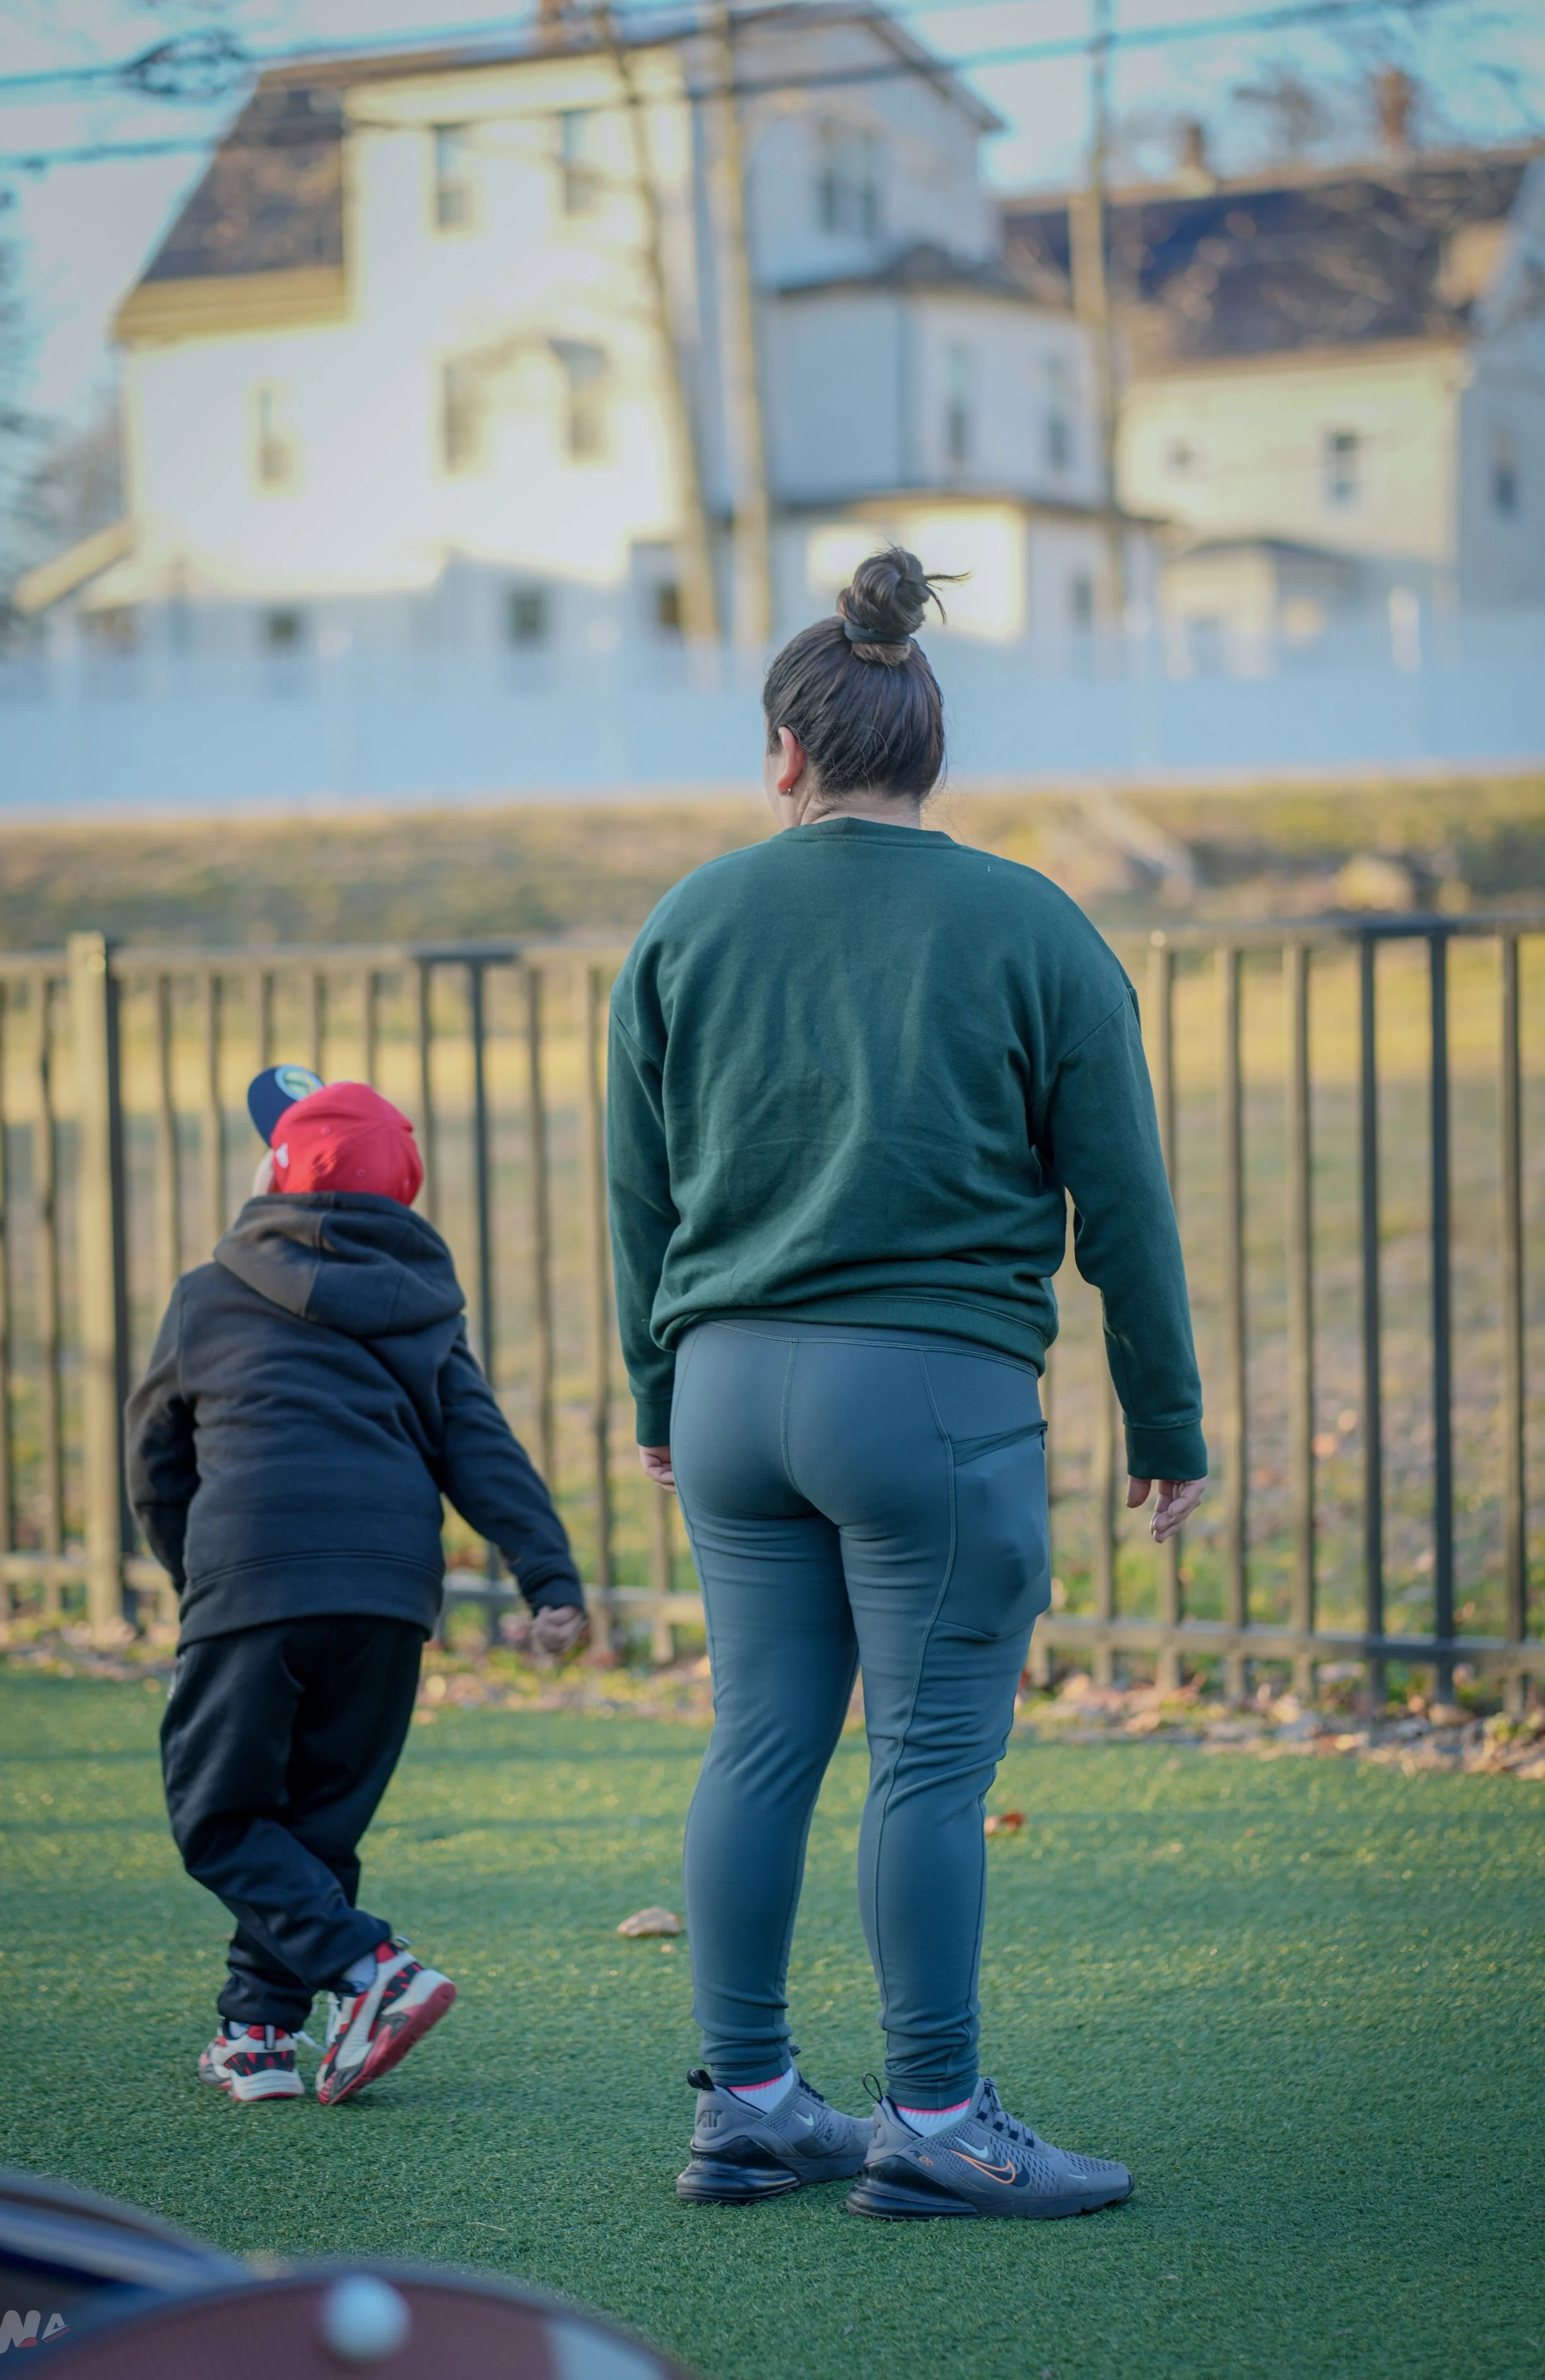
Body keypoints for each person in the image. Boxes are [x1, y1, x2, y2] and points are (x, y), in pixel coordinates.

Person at [606, 548, 1207, 2221]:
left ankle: (749, 2102)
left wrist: (659, 1389)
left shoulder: (684, 919)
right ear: (928, 753)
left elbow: (636, 1192)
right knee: (927, 1763)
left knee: (756, 1738)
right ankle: (934, 2116)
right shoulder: (1032, 922)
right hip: (928, 1406)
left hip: (727, 1393)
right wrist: (1168, 1424)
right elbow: (1124, 1202)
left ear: (783, 753)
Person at [127, 1072, 587, 2107]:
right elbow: (482, 1446)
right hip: (386, 1595)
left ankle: (375, 1968)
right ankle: (256, 2036)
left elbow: (157, 1455)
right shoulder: (423, 1309)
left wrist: (192, 1577)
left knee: (217, 1814)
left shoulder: (209, 1294)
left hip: (256, 1574)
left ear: (273, 1174)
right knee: (316, 1825)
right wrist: (546, 1574)